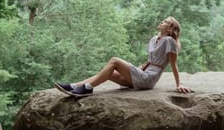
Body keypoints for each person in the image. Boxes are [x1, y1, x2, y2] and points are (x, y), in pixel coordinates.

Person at [55, 16, 191, 97]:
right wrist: (139, 69)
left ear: (169, 29)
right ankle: (74, 86)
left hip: (148, 79)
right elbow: (149, 61)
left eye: (165, 22)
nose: (161, 22)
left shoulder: (170, 41)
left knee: (114, 60)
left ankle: (87, 89)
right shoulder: (154, 39)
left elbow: (173, 63)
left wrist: (179, 84)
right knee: (109, 72)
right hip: (142, 73)